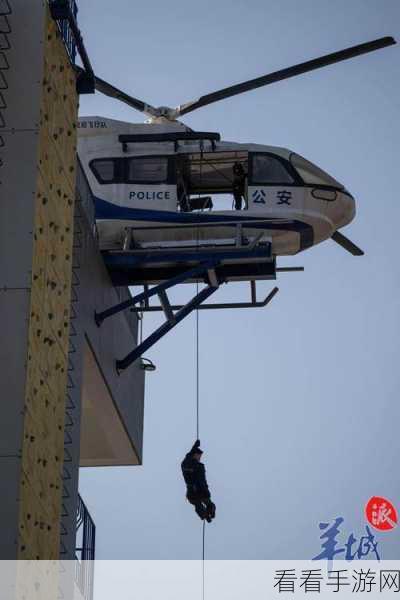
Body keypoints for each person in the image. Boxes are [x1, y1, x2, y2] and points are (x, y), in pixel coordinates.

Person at [181, 440, 216, 522]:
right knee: (198, 505)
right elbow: (187, 462)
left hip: (201, 491)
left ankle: (209, 513)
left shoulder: (199, 466)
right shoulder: (188, 464)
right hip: (194, 491)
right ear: (195, 455)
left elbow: (203, 480)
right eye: (199, 456)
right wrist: (193, 448)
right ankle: (205, 514)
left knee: (209, 504)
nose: (200, 458)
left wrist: (194, 447)